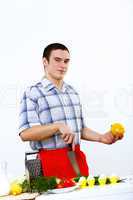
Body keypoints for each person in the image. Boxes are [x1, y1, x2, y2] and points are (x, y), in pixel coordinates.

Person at [19, 43, 121, 179]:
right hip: (48, 160)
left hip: (75, 158)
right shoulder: (33, 93)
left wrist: (101, 138)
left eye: (66, 61)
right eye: (57, 60)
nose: (63, 65)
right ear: (45, 62)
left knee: (82, 195)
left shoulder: (72, 92)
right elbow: (25, 134)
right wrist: (57, 127)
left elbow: (79, 129)